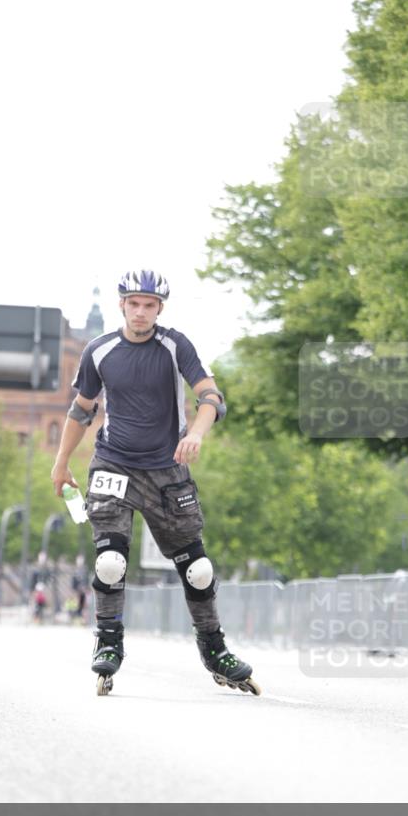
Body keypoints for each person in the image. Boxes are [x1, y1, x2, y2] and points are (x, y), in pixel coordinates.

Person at [50, 269, 258, 695]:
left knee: (198, 571)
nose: (141, 312)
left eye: (149, 305)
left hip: (167, 469)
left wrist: (196, 433)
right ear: (121, 305)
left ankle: (214, 649)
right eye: (134, 304)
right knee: (111, 561)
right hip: (112, 465)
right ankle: (108, 641)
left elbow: (211, 397)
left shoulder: (174, 345)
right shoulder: (99, 350)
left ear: (160, 308)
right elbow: (81, 409)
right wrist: (61, 463)